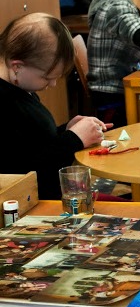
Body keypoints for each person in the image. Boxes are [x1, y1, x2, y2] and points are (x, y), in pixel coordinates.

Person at [0, 13, 110, 200]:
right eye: (47, 77)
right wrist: (73, 139)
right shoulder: (5, 104)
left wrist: (66, 130)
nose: (52, 84)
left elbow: (33, 142)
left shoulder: (20, 88)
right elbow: (29, 171)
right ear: (17, 66)